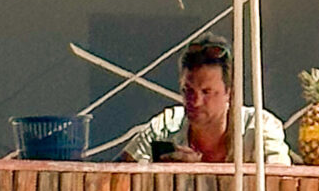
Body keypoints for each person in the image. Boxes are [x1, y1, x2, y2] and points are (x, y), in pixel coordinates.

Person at [121, 36, 289, 166]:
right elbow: (121, 172)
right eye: (188, 91)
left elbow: (280, 181)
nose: (196, 101)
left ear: (229, 93)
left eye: (206, 92)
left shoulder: (258, 127)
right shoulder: (165, 127)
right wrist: (163, 173)